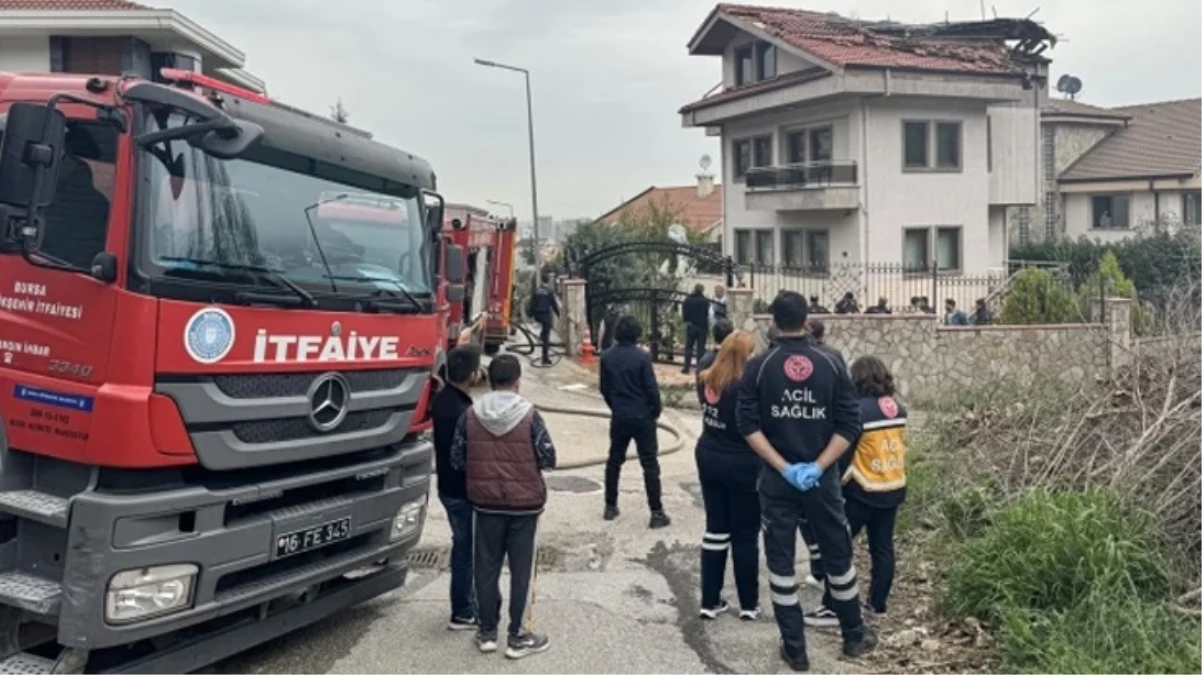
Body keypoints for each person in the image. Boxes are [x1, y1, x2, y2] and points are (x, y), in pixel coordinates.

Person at [736, 291, 876, 671]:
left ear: (773, 322)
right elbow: (850, 424)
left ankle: (795, 649)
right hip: (822, 481)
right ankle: (853, 636)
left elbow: (747, 426)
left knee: (781, 564)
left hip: (778, 483)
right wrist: (818, 466)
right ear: (806, 318)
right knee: (837, 556)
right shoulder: (830, 362)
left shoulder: (760, 367)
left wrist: (783, 467)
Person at [450, 355, 558, 659]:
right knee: (522, 572)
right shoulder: (531, 415)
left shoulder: (470, 415)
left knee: (485, 570)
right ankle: (518, 636)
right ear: (518, 381)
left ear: (489, 380)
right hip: (525, 506)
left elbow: (457, 459)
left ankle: (487, 632)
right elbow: (548, 458)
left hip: (485, 505)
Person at [805, 356, 908, 626]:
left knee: (837, 546)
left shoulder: (858, 410)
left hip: (862, 489)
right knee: (882, 548)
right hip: (893, 485)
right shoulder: (898, 409)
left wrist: (833, 481)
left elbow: (845, 453)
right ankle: (877, 604)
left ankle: (831, 606)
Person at [696, 331, 761, 621]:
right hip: (743, 462)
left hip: (709, 456)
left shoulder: (708, 379)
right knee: (745, 535)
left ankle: (709, 601)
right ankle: (748, 604)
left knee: (715, 529)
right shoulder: (747, 386)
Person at [599, 315, 670, 528]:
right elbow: (651, 389)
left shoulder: (607, 356)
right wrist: (655, 411)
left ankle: (610, 506)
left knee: (614, 461)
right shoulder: (642, 357)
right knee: (649, 463)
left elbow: (604, 388)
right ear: (637, 333)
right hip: (642, 416)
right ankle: (656, 512)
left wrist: (616, 406)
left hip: (620, 415)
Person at [431, 345, 482, 631]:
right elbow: (465, 458)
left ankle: (465, 605)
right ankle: (462, 611)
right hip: (462, 491)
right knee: (465, 550)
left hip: (446, 487)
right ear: (472, 375)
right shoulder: (464, 412)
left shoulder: (442, 400)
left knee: (463, 546)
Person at [528, 278, 560, 365]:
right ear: (547, 283)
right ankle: (545, 359)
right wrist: (558, 315)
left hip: (537, 315)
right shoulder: (550, 292)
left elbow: (532, 303)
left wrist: (530, 315)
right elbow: (553, 304)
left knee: (545, 331)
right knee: (546, 337)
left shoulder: (537, 292)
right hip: (545, 315)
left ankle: (542, 336)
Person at [681, 283, 711, 375]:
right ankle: (699, 368)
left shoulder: (688, 300)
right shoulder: (705, 301)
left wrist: (686, 320)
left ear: (694, 289)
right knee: (700, 349)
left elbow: (684, 311)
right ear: (702, 290)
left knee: (689, 347)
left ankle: (686, 367)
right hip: (702, 327)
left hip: (691, 325)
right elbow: (708, 314)